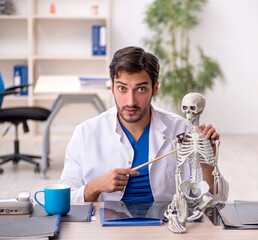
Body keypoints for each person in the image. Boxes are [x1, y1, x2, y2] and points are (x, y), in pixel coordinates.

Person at [58, 46, 229, 202]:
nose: (130, 101)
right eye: (122, 88)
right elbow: (65, 198)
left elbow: (218, 200)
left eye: (140, 89)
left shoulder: (183, 130)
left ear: (155, 89)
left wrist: (207, 164)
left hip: (165, 228)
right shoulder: (85, 133)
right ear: (112, 88)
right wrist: (94, 187)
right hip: (106, 230)